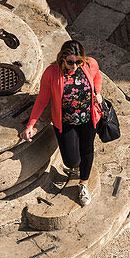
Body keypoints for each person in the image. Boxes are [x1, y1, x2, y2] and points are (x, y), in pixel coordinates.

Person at [20, 39, 103, 205]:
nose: (75, 66)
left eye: (79, 61)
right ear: (62, 59)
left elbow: (97, 78)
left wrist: (98, 93)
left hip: (88, 119)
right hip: (65, 122)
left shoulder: (90, 64)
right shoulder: (51, 73)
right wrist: (31, 124)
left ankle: (83, 183)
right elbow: (42, 99)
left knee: (87, 150)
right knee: (71, 160)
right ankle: (77, 167)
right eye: (71, 62)